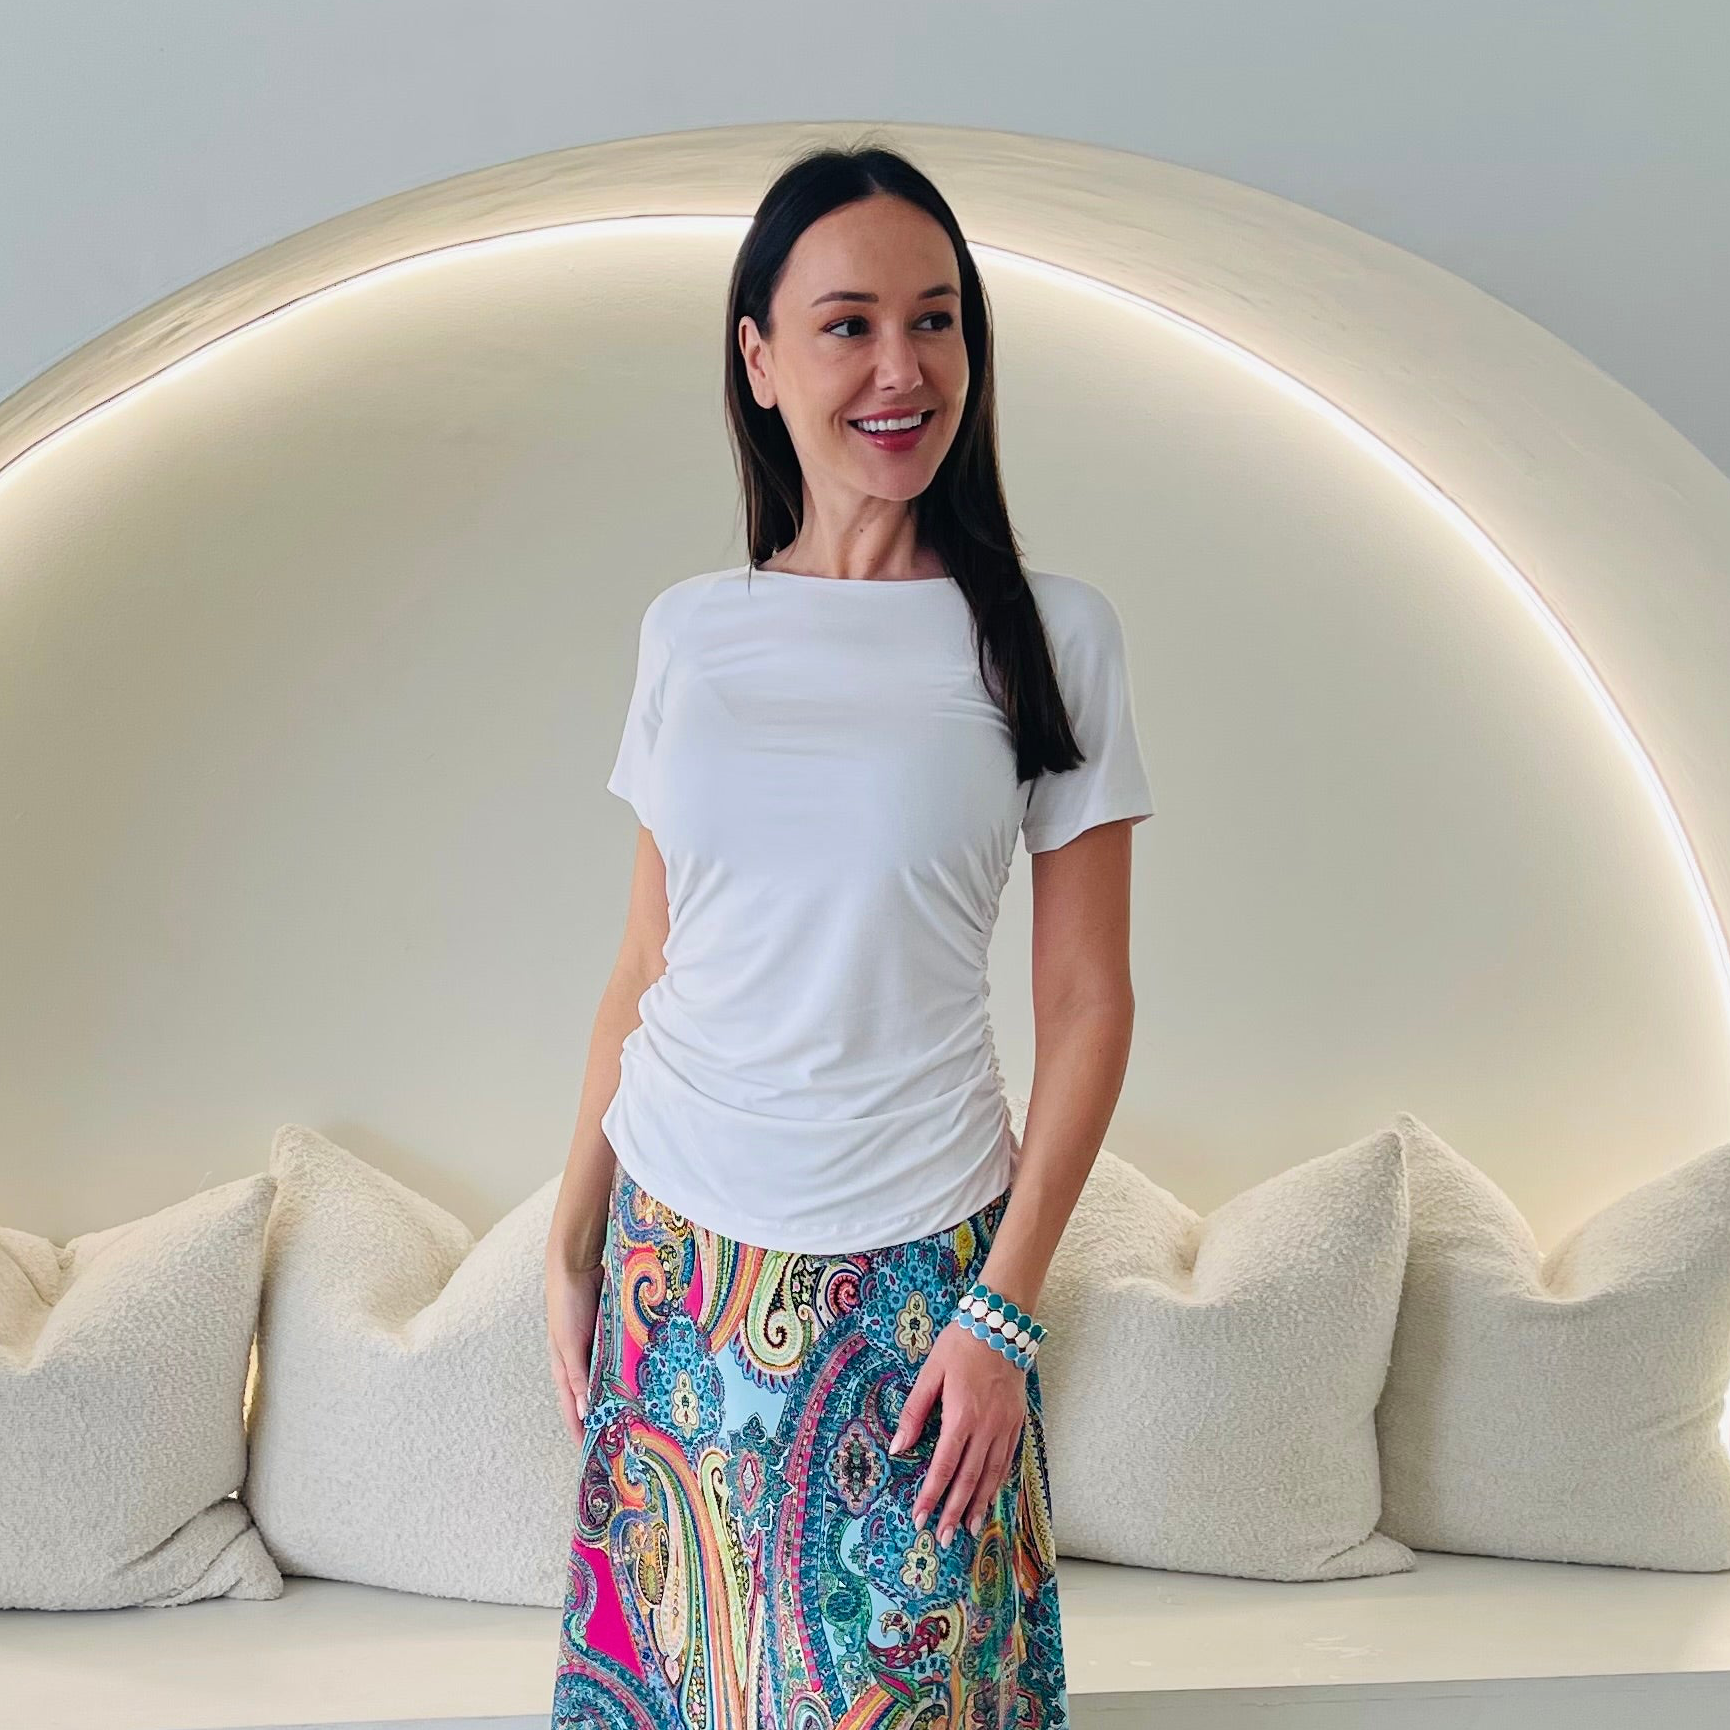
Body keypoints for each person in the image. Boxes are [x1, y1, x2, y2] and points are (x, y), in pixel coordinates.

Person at [546, 139, 1155, 1730]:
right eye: (847, 324)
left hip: (920, 1275)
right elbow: (646, 962)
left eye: (937, 320)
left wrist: (1002, 1310)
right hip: (674, 1259)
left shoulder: (1050, 634)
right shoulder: (690, 633)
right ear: (756, 360)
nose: (902, 367)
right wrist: (570, 1236)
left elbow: (1089, 1006)